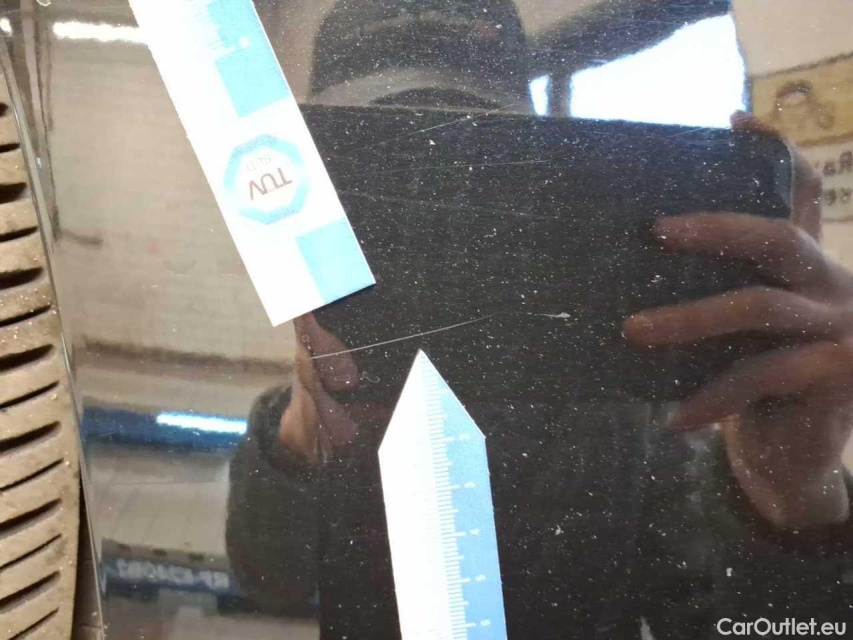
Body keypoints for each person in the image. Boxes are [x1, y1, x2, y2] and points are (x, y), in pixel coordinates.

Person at [228, 2, 853, 637]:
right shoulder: (322, 405)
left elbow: (738, 626)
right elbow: (268, 579)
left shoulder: (628, 407)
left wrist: (791, 496)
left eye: (474, 168)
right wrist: (300, 437)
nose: (441, 220)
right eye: (390, 179)